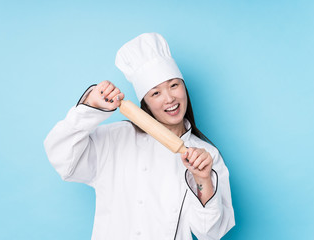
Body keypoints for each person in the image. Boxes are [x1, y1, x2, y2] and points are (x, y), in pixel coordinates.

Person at [44, 33, 235, 239]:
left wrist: (203, 179)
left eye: (174, 85)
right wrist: (91, 106)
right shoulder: (116, 138)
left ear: (184, 87)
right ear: (146, 103)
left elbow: (211, 232)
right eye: (155, 93)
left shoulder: (206, 155)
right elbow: (63, 159)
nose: (170, 98)